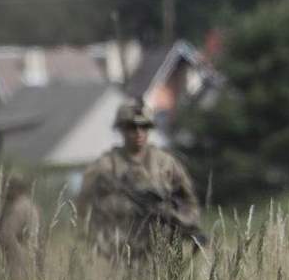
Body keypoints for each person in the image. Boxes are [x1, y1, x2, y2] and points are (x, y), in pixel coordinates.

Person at [77, 99, 202, 262]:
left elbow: (189, 202)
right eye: (131, 127)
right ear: (121, 129)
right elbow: (83, 208)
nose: (138, 132)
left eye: (144, 127)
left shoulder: (166, 163)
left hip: (161, 251)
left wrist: (178, 219)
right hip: (117, 252)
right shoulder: (104, 167)